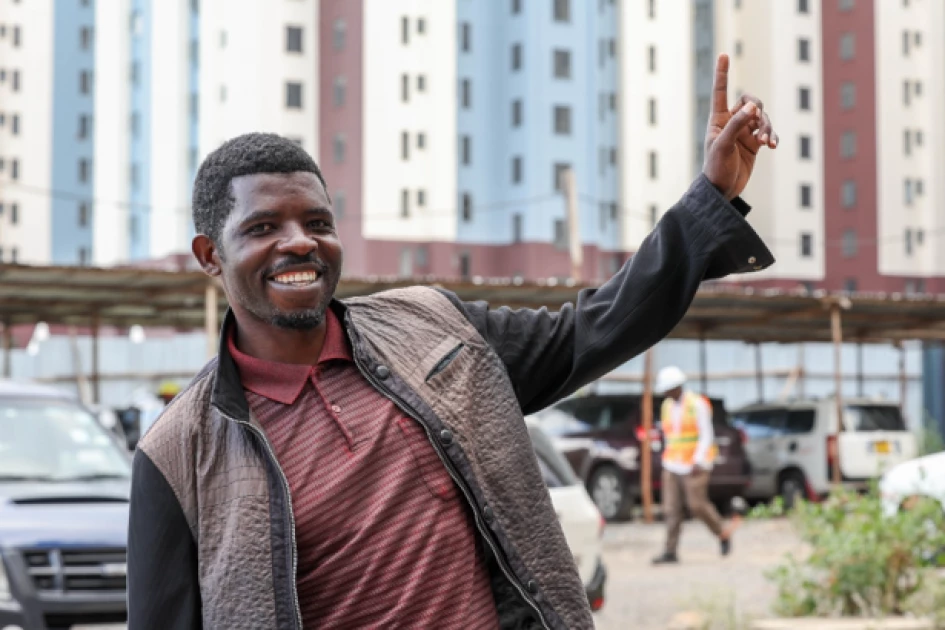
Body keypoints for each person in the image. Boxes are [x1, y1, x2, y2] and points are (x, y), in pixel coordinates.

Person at [127, 54, 778, 629]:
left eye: (316, 221)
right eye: (263, 225)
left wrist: (709, 198)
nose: (298, 241)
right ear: (210, 255)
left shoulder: (435, 330)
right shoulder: (178, 453)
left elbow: (595, 327)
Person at [651, 366, 739, 565]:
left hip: (695, 465)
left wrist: (698, 461)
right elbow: (670, 434)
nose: (665, 393)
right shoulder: (667, 406)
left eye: (667, 389)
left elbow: (706, 435)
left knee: (697, 505)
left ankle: (722, 533)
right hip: (673, 463)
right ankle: (670, 551)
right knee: (671, 509)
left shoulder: (697, 404)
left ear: (677, 387)